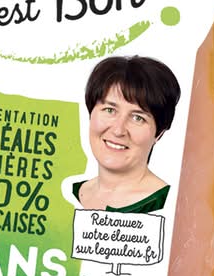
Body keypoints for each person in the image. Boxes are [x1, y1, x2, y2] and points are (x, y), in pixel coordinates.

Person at [72, 55, 181, 213]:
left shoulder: (171, 207)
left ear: (159, 133)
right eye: (110, 110)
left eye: (138, 118)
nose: (118, 130)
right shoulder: (65, 195)